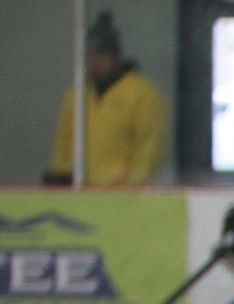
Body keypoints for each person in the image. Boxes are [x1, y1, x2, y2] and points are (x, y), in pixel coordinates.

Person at [48, 12, 167, 186]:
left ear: (116, 57)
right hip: (81, 195)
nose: (95, 62)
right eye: (91, 55)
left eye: (102, 55)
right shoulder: (76, 95)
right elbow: (64, 143)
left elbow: (149, 147)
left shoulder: (142, 94)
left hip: (123, 197)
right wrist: (62, 177)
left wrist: (132, 187)